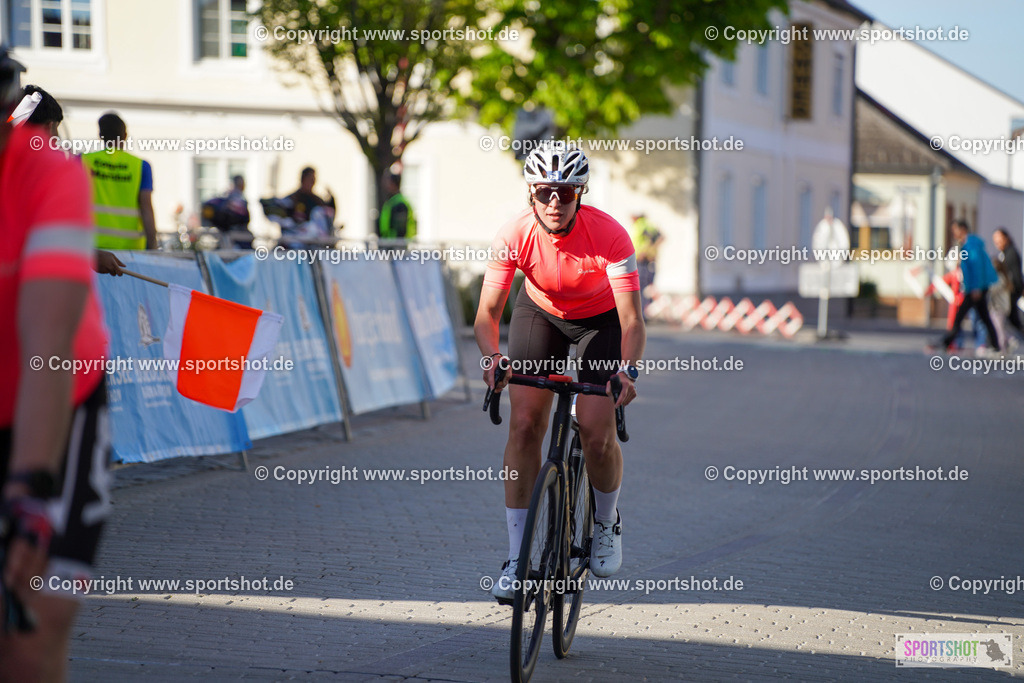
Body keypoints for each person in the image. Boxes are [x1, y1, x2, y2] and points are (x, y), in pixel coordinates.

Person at [476, 144, 644, 601]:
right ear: (531, 193)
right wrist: (493, 359)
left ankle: (607, 521)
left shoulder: (610, 236)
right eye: (546, 192)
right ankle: (516, 560)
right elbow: (488, 313)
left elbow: (631, 321)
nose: (555, 202)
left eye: (566, 193)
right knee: (526, 424)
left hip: (601, 320)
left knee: (594, 429)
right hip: (541, 313)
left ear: (580, 195)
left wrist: (626, 372)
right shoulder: (513, 234)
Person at [0, 46, 113, 682]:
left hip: (57, 393)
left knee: (31, 624)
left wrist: (28, 489)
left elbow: (48, 339)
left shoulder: (49, 169)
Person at [81, 112, 157, 250]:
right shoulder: (140, 166)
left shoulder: (82, 161)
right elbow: (146, 208)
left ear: (100, 136)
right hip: (131, 250)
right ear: (125, 136)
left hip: (91, 249)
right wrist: (153, 245)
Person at [937, 219, 1000, 354]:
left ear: (963, 229)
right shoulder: (968, 244)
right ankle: (995, 345)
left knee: (962, 316)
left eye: (955, 230)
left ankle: (946, 342)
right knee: (983, 317)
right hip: (974, 286)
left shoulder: (971, 245)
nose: (954, 233)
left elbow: (976, 267)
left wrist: (976, 287)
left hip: (976, 288)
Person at [992, 227, 1023, 339]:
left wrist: (1015, 290)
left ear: (1006, 238)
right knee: (1011, 320)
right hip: (1008, 291)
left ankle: (1003, 343)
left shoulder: (1011, 253)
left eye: (999, 239)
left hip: (1011, 290)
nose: (997, 243)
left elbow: (1015, 275)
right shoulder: (1005, 253)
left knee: (1008, 320)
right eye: (995, 241)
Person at [631, 212, 663, 313]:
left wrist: (645, 252)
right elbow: (660, 237)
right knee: (646, 287)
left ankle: (642, 312)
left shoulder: (641, 225)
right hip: (646, 260)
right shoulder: (649, 225)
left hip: (641, 260)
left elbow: (650, 240)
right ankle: (645, 311)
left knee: (640, 287)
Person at [378, 171, 417, 241]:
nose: (386, 185)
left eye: (388, 182)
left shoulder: (399, 203)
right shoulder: (392, 201)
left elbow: (400, 229)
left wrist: (395, 245)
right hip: (392, 243)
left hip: (396, 245)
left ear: (393, 184)